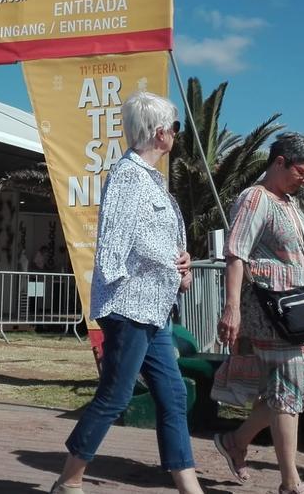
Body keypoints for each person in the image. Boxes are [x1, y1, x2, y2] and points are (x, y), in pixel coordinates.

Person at [51, 91, 202, 494]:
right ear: (159, 133)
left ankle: (189, 486)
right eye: (174, 126)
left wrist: (180, 264)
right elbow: (118, 241)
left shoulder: (150, 179)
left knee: (171, 395)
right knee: (115, 397)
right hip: (129, 305)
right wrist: (169, 263)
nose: (176, 133)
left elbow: (155, 239)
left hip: (155, 308)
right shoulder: (128, 176)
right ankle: (69, 479)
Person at [214, 132, 304, 494]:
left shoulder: (289, 202)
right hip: (270, 310)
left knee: (295, 388)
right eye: (302, 172)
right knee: (288, 387)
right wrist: (231, 308)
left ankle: (236, 441)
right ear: (279, 162)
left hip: (297, 311)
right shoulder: (255, 198)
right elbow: (236, 253)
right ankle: (290, 480)